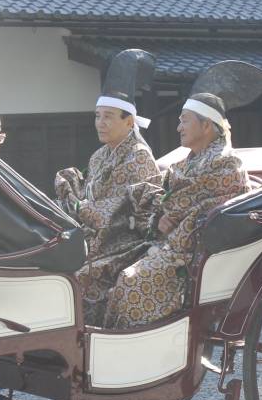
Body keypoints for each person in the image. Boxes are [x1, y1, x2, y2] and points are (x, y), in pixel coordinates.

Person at [102, 92, 249, 329]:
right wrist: (161, 213)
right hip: (165, 242)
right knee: (106, 268)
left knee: (130, 283)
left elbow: (212, 206)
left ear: (206, 126)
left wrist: (171, 214)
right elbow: (166, 195)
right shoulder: (186, 162)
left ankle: (138, 347)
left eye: (185, 120)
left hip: (190, 251)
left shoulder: (226, 163)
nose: (179, 127)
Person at [55, 49, 162, 326]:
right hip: (96, 235)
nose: (100, 123)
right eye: (97, 115)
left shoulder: (138, 155)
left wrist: (81, 207)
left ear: (129, 121)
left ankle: (89, 338)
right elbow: (89, 197)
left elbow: (128, 213)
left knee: (79, 275)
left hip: (128, 241)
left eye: (108, 117)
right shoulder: (100, 155)